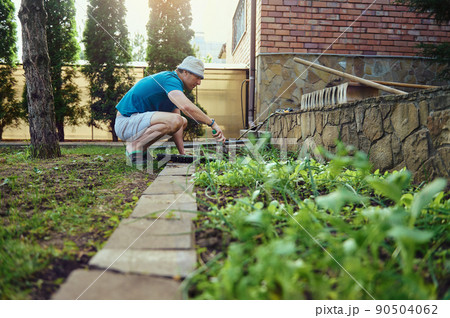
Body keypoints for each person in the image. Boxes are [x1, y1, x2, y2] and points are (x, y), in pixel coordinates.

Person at [114, 56, 226, 163]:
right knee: (177, 120)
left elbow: (178, 124)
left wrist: (182, 153)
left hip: (134, 123)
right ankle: (134, 147)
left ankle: (141, 150)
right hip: (126, 121)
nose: (199, 82)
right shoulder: (170, 79)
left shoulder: (173, 86)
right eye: (197, 77)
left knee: (182, 122)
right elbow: (186, 107)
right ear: (185, 72)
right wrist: (212, 123)